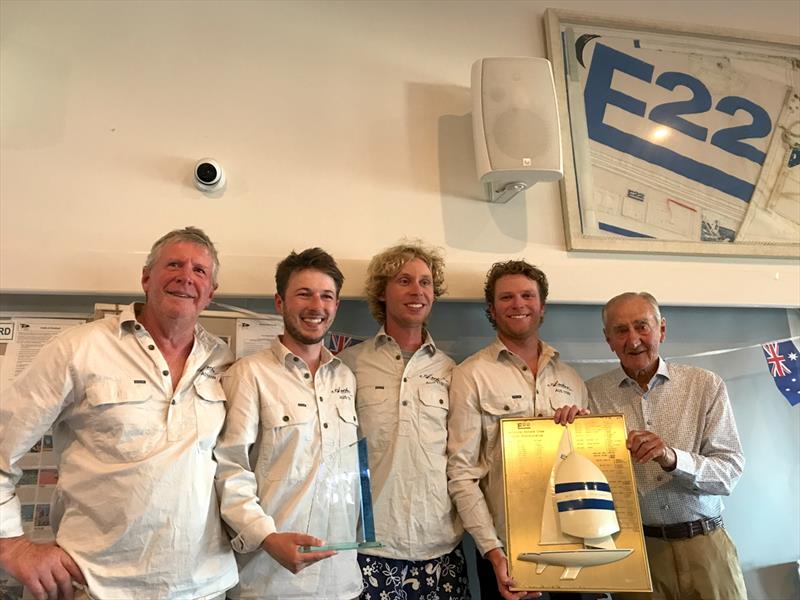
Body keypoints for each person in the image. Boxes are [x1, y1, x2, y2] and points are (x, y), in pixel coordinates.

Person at [0, 226, 238, 600]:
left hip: (205, 587)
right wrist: (11, 546)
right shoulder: (79, 349)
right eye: (174, 264)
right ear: (146, 278)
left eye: (199, 271)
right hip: (96, 587)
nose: (186, 277)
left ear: (210, 294)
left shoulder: (224, 362)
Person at [214, 248, 362, 600]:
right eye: (304, 294)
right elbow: (229, 470)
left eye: (326, 296)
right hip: (270, 582)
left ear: (336, 305)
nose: (316, 306)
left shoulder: (344, 377)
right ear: (280, 303)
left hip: (341, 579)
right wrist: (267, 538)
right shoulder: (249, 375)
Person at [586, 292, 746, 600]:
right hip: (638, 552)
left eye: (641, 326)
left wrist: (672, 458)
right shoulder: (591, 395)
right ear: (608, 339)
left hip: (707, 545)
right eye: (621, 330)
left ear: (662, 329)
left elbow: (729, 473)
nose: (633, 340)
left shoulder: (705, 385)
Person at [447, 260, 588, 600]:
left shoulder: (571, 379)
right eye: (506, 297)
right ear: (491, 310)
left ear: (542, 307)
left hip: (574, 545)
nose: (518, 304)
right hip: (508, 552)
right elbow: (462, 473)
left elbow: (592, 461)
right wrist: (493, 552)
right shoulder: (471, 375)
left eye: (527, 295)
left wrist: (585, 433)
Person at [338, 242, 469, 599]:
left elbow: (462, 460)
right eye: (404, 280)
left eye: (426, 283)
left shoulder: (452, 371)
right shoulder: (350, 365)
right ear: (382, 292)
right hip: (370, 549)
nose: (417, 291)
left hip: (440, 548)